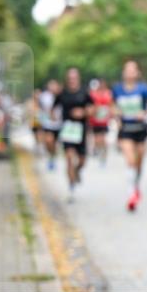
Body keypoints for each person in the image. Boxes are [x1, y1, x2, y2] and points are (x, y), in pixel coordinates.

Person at [112, 59, 147, 212]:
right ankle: (131, 193)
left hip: (141, 129)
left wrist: (145, 113)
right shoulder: (117, 89)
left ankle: (136, 184)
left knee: (139, 163)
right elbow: (112, 107)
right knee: (130, 160)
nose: (130, 73)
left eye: (133, 70)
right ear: (123, 73)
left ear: (137, 73)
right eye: (127, 70)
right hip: (125, 129)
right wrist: (116, 116)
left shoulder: (144, 89)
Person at [55, 67, 94, 202]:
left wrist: (83, 112)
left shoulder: (84, 93)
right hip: (67, 131)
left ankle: (78, 171)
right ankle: (71, 188)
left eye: (74, 78)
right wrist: (53, 117)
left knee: (82, 161)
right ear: (67, 79)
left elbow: (92, 109)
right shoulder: (62, 93)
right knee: (70, 159)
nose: (72, 80)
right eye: (70, 78)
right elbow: (54, 109)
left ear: (78, 78)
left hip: (81, 130)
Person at [88, 78, 113, 167]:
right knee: (97, 139)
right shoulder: (92, 94)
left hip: (104, 121)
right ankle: (99, 152)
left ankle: (104, 156)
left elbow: (111, 105)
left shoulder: (108, 93)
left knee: (103, 139)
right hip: (95, 121)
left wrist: (110, 114)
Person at [40, 79, 62, 170]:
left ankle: (53, 158)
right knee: (48, 141)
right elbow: (40, 108)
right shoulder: (44, 96)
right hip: (47, 124)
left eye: (54, 85)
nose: (53, 87)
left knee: (55, 144)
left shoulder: (61, 96)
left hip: (59, 124)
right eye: (51, 85)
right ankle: (50, 156)